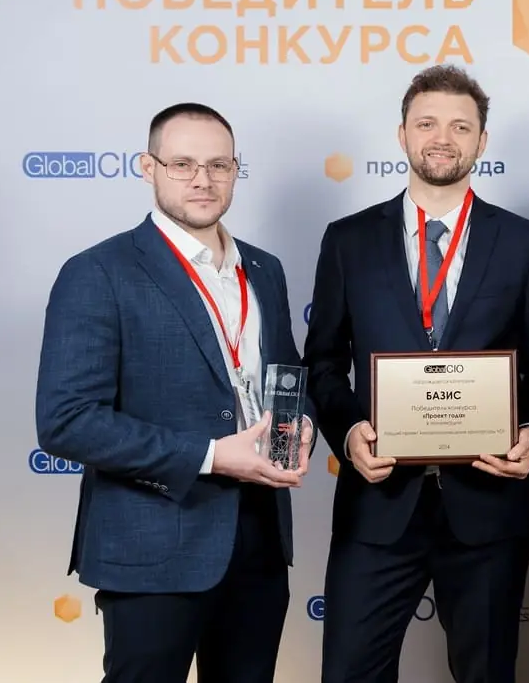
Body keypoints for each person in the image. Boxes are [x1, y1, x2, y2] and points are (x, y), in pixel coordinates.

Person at [34, 103, 317, 683]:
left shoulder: (265, 269)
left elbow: (286, 375)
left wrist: (301, 422)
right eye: (183, 164)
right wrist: (211, 455)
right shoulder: (99, 271)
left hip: (259, 540)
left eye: (219, 165)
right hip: (152, 547)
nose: (202, 179)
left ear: (236, 169)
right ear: (149, 168)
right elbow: (67, 420)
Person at [304, 64, 529, 683]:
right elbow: (323, 363)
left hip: (488, 506)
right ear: (402, 135)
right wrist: (348, 433)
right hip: (378, 504)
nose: (442, 138)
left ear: (482, 141)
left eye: (459, 126)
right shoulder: (348, 240)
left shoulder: (525, 242)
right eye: (426, 124)